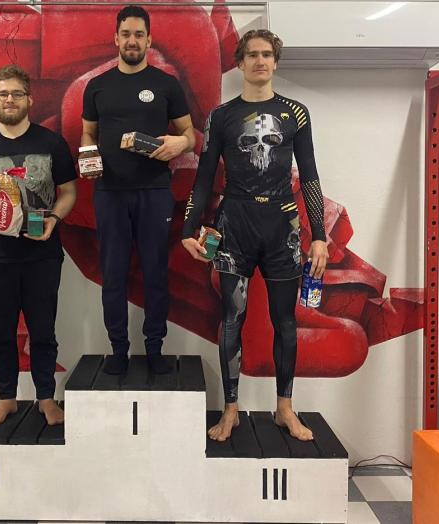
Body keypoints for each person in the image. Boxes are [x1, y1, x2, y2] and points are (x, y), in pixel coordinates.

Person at [181, 30, 329, 442]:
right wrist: (188, 229)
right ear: (240, 63)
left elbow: (310, 176)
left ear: (275, 62)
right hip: (236, 225)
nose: (260, 61)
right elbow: (203, 179)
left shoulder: (295, 113)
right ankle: (231, 409)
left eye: (266, 55)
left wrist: (319, 235)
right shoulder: (221, 117)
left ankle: (284, 408)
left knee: (285, 321)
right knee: (232, 317)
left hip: (283, 226)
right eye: (252, 55)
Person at [0, 65, 77, 427]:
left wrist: (54, 219)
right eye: (3, 94)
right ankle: (6, 399)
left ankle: (45, 398)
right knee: (1, 331)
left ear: (29, 100)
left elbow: (69, 191)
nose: (10, 99)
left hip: (42, 255)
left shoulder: (51, 143)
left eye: (17, 93)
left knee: (43, 330)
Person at [80, 5, 195, 375]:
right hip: (110, 193)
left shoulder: (166, 84)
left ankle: (155, 348)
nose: (132, 40)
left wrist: (181, 143)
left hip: (154, 192)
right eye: (126, 34)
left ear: (149, 39)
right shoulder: (97, 86)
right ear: (116, 38)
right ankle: (118, 350)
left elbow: (189, 134)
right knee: (113, 275)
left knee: (155, 272)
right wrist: (88, 157)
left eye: (139, 35)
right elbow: (88, 133)